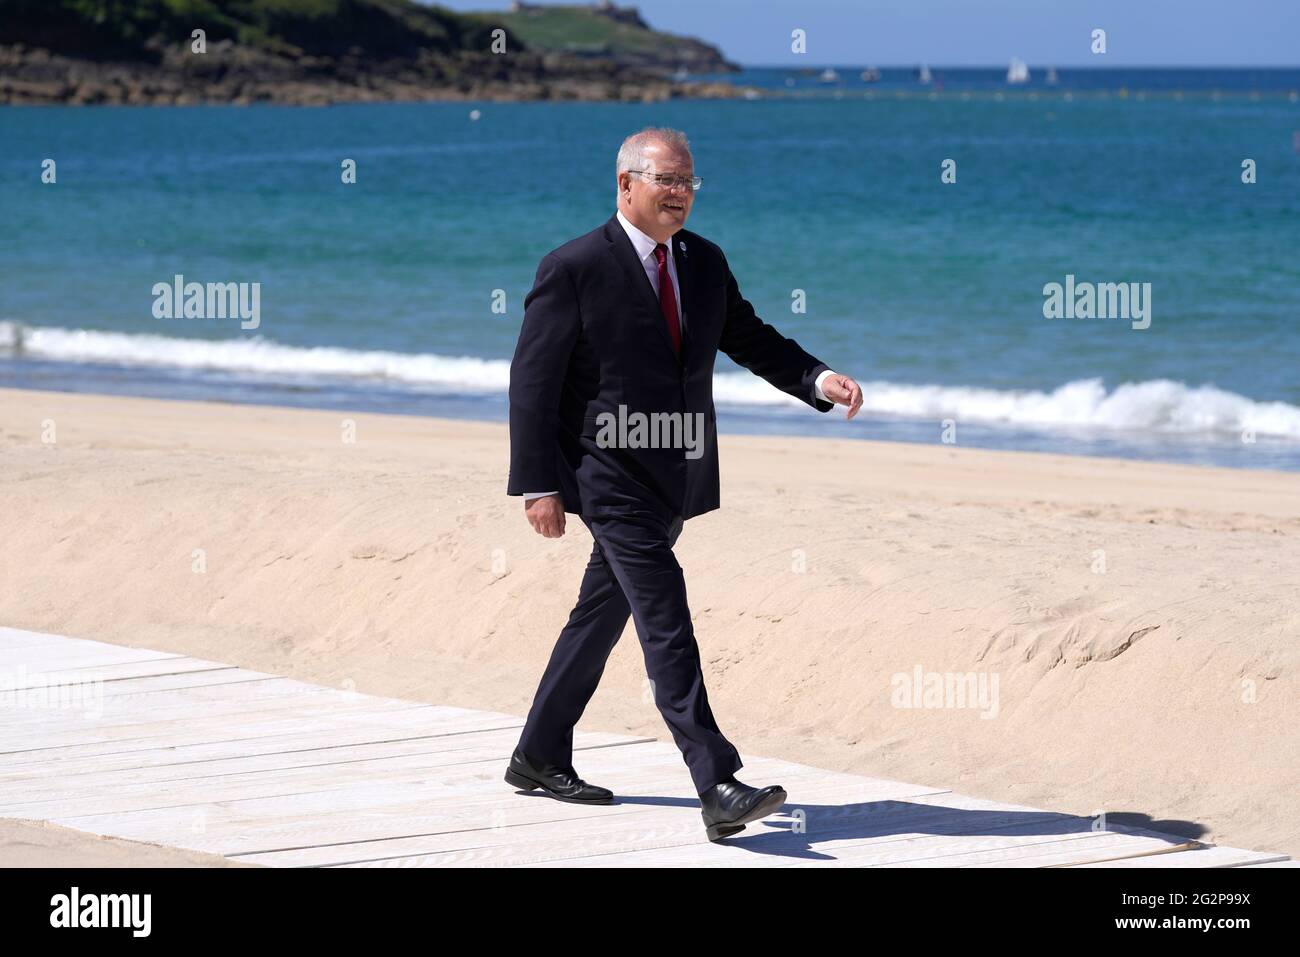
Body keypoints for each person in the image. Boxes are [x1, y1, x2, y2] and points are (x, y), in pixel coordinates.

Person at [504, 127, 863, 841]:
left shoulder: (703, 262)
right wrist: (537, 483)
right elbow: (532, 383)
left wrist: (816, 378)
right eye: (666, 180)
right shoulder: (573, 266)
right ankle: (717, 781)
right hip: (605, 474)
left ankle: (538, 754)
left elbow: (750, 336)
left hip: (676, 471)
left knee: (597, 618)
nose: (680, 194)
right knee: (665, 617)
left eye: (689, 182)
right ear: (625, 184)